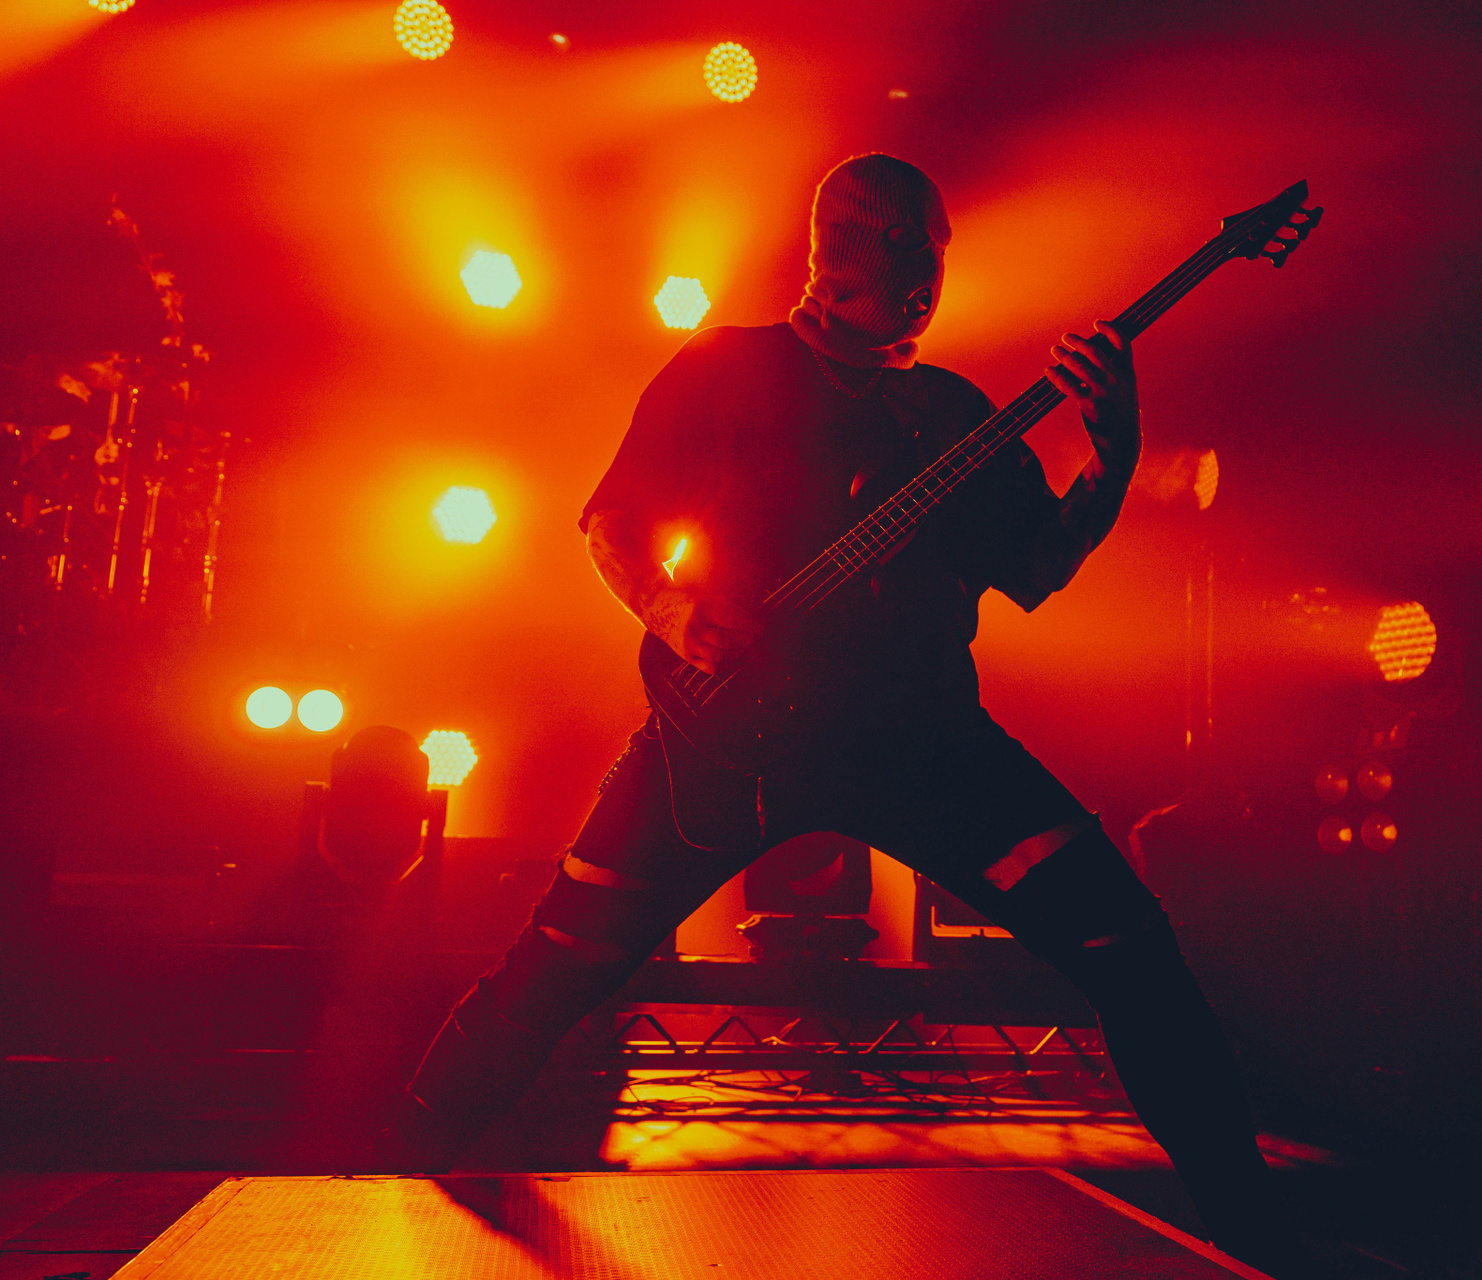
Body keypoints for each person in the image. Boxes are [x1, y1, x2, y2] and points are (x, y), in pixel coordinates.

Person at [385, 154, 1301, 1272]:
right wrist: (671, 612)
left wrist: (1113, 461)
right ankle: (389, 1179)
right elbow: (613, 520)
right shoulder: (729, 368)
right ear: (838, 251)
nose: (922, 279)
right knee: (554, 965)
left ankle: (1260, 1242)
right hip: (721, 741)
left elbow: (1041, 565)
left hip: (923, 748)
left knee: (1132, 945)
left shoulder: (951, 413)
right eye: (898, 249)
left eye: (932, 253)